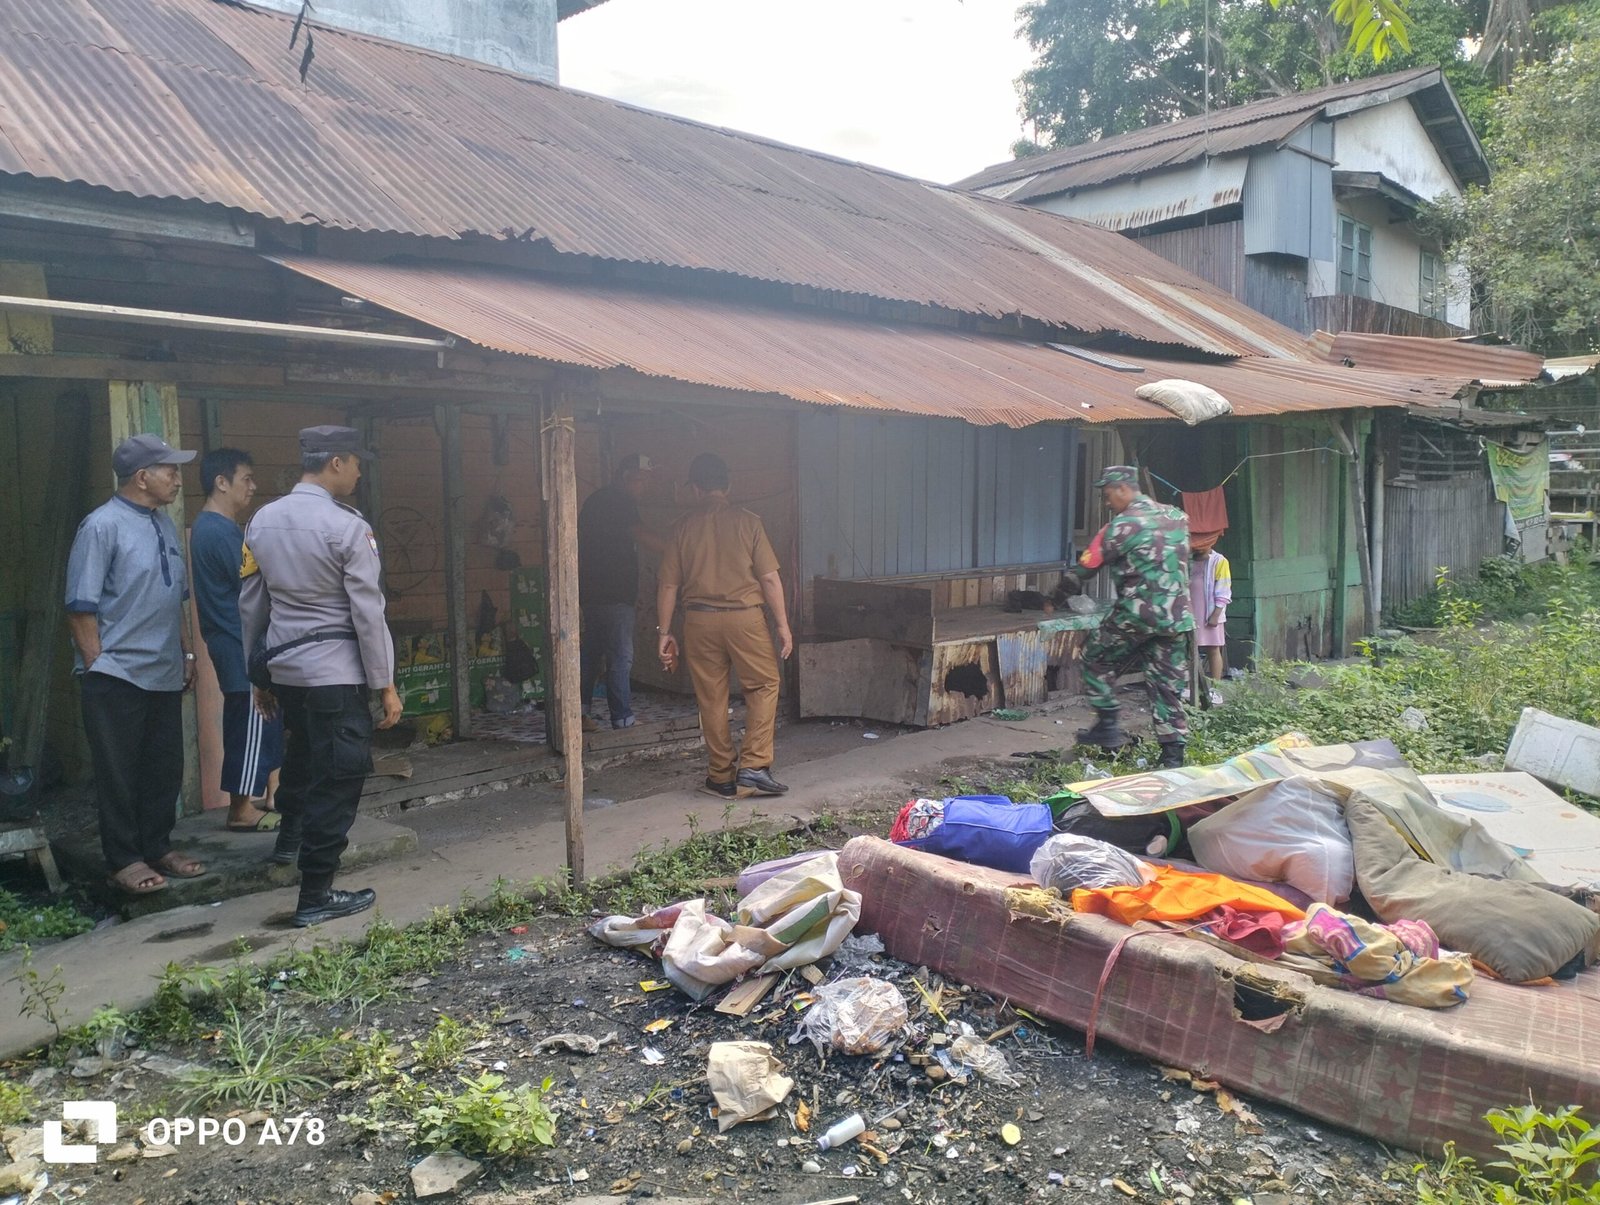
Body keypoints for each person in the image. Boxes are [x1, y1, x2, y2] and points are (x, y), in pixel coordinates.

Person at [241, 426, 401, 927]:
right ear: (336, 462)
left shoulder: (261, 520)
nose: (358, 472)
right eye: (356, 463)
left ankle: (288, 840)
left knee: (304, 753)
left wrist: (259, 674)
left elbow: (251, 605)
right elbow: (367, 612)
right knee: (340, 776)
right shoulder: (348, 526)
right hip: (335, 672)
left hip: (286, 668)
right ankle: (315, 894)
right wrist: (386, 683)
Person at [65, 434, 206, 895]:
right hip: (117, 674)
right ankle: (124, 858)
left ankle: (157, 845)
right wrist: (97, 664)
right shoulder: (101, 526)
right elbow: (80, 607)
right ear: (142, 477)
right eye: (170, 471)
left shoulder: (164, 524)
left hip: (164, 670)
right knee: (119, 772)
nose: (178, 480)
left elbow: (175, 600)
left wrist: (186, 653)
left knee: (162, 767)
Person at [656, 453, 793, 799]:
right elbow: (769, 579)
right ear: (728, 485)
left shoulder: (682, 527)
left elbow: (668, 585)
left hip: (699, 621)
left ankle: (720, 775)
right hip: (745, 618)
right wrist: (783, 625)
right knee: (763, 684)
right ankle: (754, 765)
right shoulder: (749, 523)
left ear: (696, 489)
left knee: (711, 696)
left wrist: (664, 632)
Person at [1066, 466, 1194, 767]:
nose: (1106, 502)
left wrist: (1055, 596)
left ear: (1123, 489)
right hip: (1176, 618)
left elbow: (1085, 570)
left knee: (1095, 657)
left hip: (1137, 615)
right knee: (1167, 683)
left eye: (1107, 495)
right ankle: (1173, 756)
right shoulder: (1178, 517)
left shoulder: (1120, 527)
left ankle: (1107, 725)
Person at [192, 447, 284, 832]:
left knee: (265, 719)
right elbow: (253, 584)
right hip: (235, 640)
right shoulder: (217, 531)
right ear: (221, 482)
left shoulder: (220, 529)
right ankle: (241, 809)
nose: (253, 486)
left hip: (239, 641)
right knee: (248, 719)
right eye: (246, 479)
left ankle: (271, 796)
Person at [578, 453, 664, 731]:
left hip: (590, 591)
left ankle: (579, 712)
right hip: (614, 595)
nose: (645, 488)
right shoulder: (620, 501)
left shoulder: (596, 500)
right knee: (620, 656)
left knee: (591, 653)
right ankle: (622, 718)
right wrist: (679, 550)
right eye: (642, 481)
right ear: (628, 477)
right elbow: (640, 534)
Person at [1189, 541, 1232, 684]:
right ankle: (1190, 686)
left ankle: (1216, 687)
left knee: (1213, 649)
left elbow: (1224, 591)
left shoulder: (1219, 561)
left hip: (1210, 614)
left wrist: (1216, 615)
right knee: (1189, 651)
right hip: (1190, 613)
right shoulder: (1188, 560)